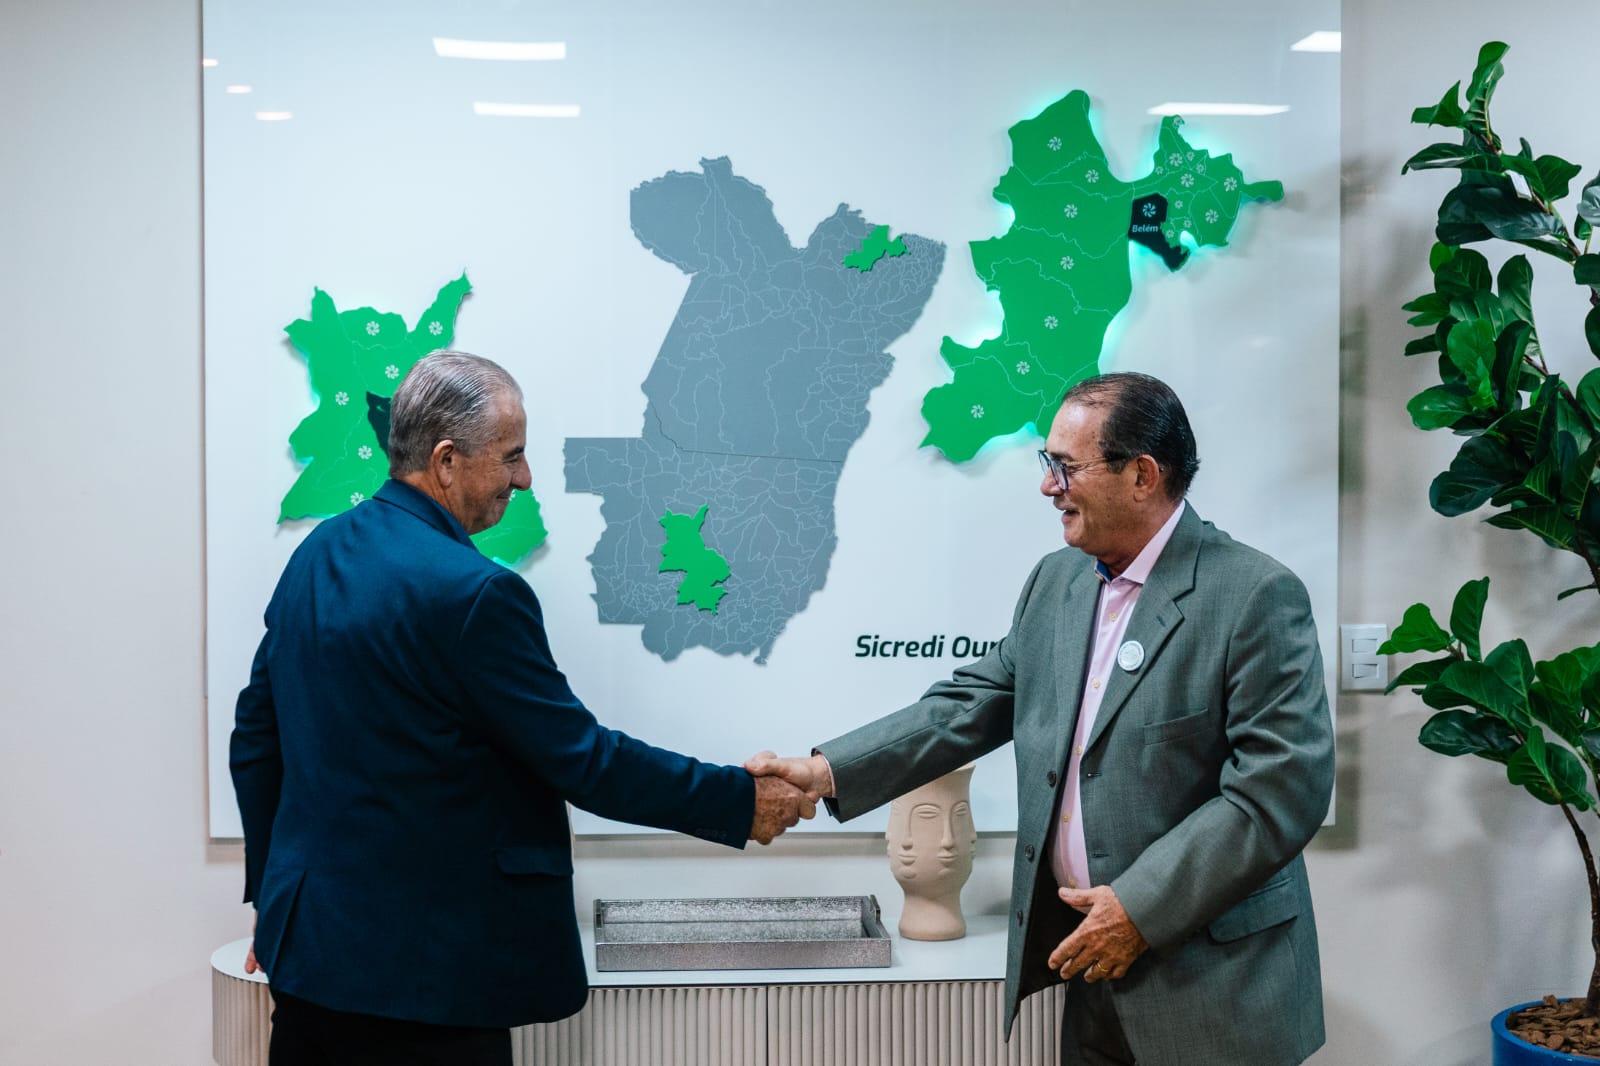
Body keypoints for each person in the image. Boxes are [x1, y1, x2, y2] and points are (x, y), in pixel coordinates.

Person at [231, 350, 815, 1066]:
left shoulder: (315, 557)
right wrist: (739, 800)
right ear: (446, 461)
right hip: (431, 992)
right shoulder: (476, 595)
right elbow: (584, 761)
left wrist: (274, 900)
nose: (526, 477)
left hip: (309, 968)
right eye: (511, 456)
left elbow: (255, 738)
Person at [748, 372, 1334, 1065]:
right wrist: (825, 772)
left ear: (1142, 475)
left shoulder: (1255, 595)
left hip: (1213, 992)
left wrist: (1139, 909)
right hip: (1093, 972)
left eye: (1066, 467)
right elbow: (970, 705)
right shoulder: (1057, 582)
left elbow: (1276, 792)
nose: (1047, 486)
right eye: (1046, 463)